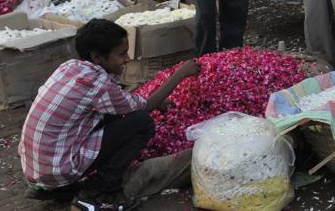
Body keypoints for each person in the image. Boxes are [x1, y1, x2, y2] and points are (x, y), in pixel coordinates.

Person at [20, 19, 200, 209]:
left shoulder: (69, 67)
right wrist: (179, 75)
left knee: (115, 114)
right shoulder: (99, 85)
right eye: (122, 54)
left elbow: (119, 102)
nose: (127, 59)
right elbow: (144, 107)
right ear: (97, 56)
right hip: (59, 167)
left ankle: (54, 189)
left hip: (38, 167)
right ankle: (101, 191)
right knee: (142, 122)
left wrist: (156, 102)